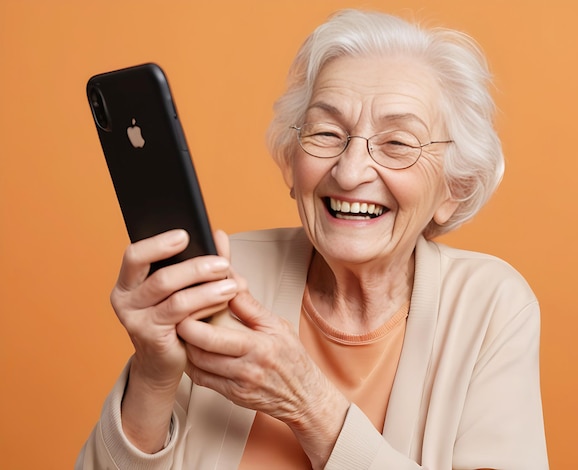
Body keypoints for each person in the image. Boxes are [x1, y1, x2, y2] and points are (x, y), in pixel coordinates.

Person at [77, 9, 548, 470]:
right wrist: (154, 376)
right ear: (291, 162)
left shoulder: (490, 307)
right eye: (326, 133)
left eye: (398, 143)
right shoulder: (225, 272)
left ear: (453, 188)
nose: (349, 171)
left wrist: (311, 406)